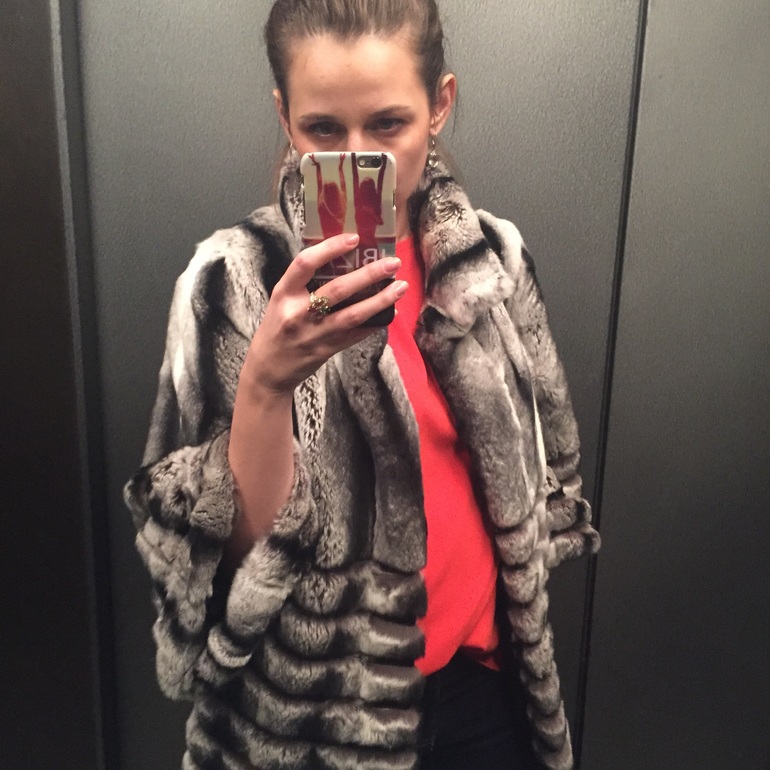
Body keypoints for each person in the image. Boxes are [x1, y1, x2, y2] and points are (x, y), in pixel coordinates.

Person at [123, 1, 601, 769]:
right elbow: (216, 566)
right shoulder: (231, 283)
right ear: (284, 118)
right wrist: (266, 384)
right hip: (316, 723)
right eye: (323, 129)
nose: (357, 158)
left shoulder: (490, 261)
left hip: (486, 694)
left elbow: (545, 472)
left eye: (387, 124)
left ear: (439, 105)